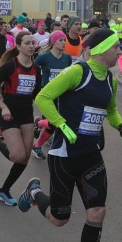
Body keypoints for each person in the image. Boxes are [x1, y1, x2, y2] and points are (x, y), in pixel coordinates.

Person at [14, 29, 122, 242]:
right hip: (64, 155)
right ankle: (34, 193)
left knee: (97, 211)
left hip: (91, 155)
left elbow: (110, 110)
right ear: (102, 49)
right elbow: (42, 97)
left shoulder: (110, 80)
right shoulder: (78, 72)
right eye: (116, 47)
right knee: (59, 219)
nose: (119, 51)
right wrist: (61, 124)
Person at [0, 31, 43, 206]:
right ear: (18, 46)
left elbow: (38, 94)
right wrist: (3, 107)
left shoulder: (36, 69)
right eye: (27, 43)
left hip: (26, 115)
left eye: (33, 42)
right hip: (9, 114)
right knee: (18, 156)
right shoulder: (10, 66)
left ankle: (4, 191)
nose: (32, 45)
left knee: (24, 159)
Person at [32, 30, 73, 158]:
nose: (64, 43)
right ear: (54, 42)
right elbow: (33, 69)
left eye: (65, 40)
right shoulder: (44, 56)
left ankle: (39, 127)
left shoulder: (67, 57)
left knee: (53, 124)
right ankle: (39, 136)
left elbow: (69, 75)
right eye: (61, 40)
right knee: (53, 123)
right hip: (48, 96)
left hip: (63, 95)